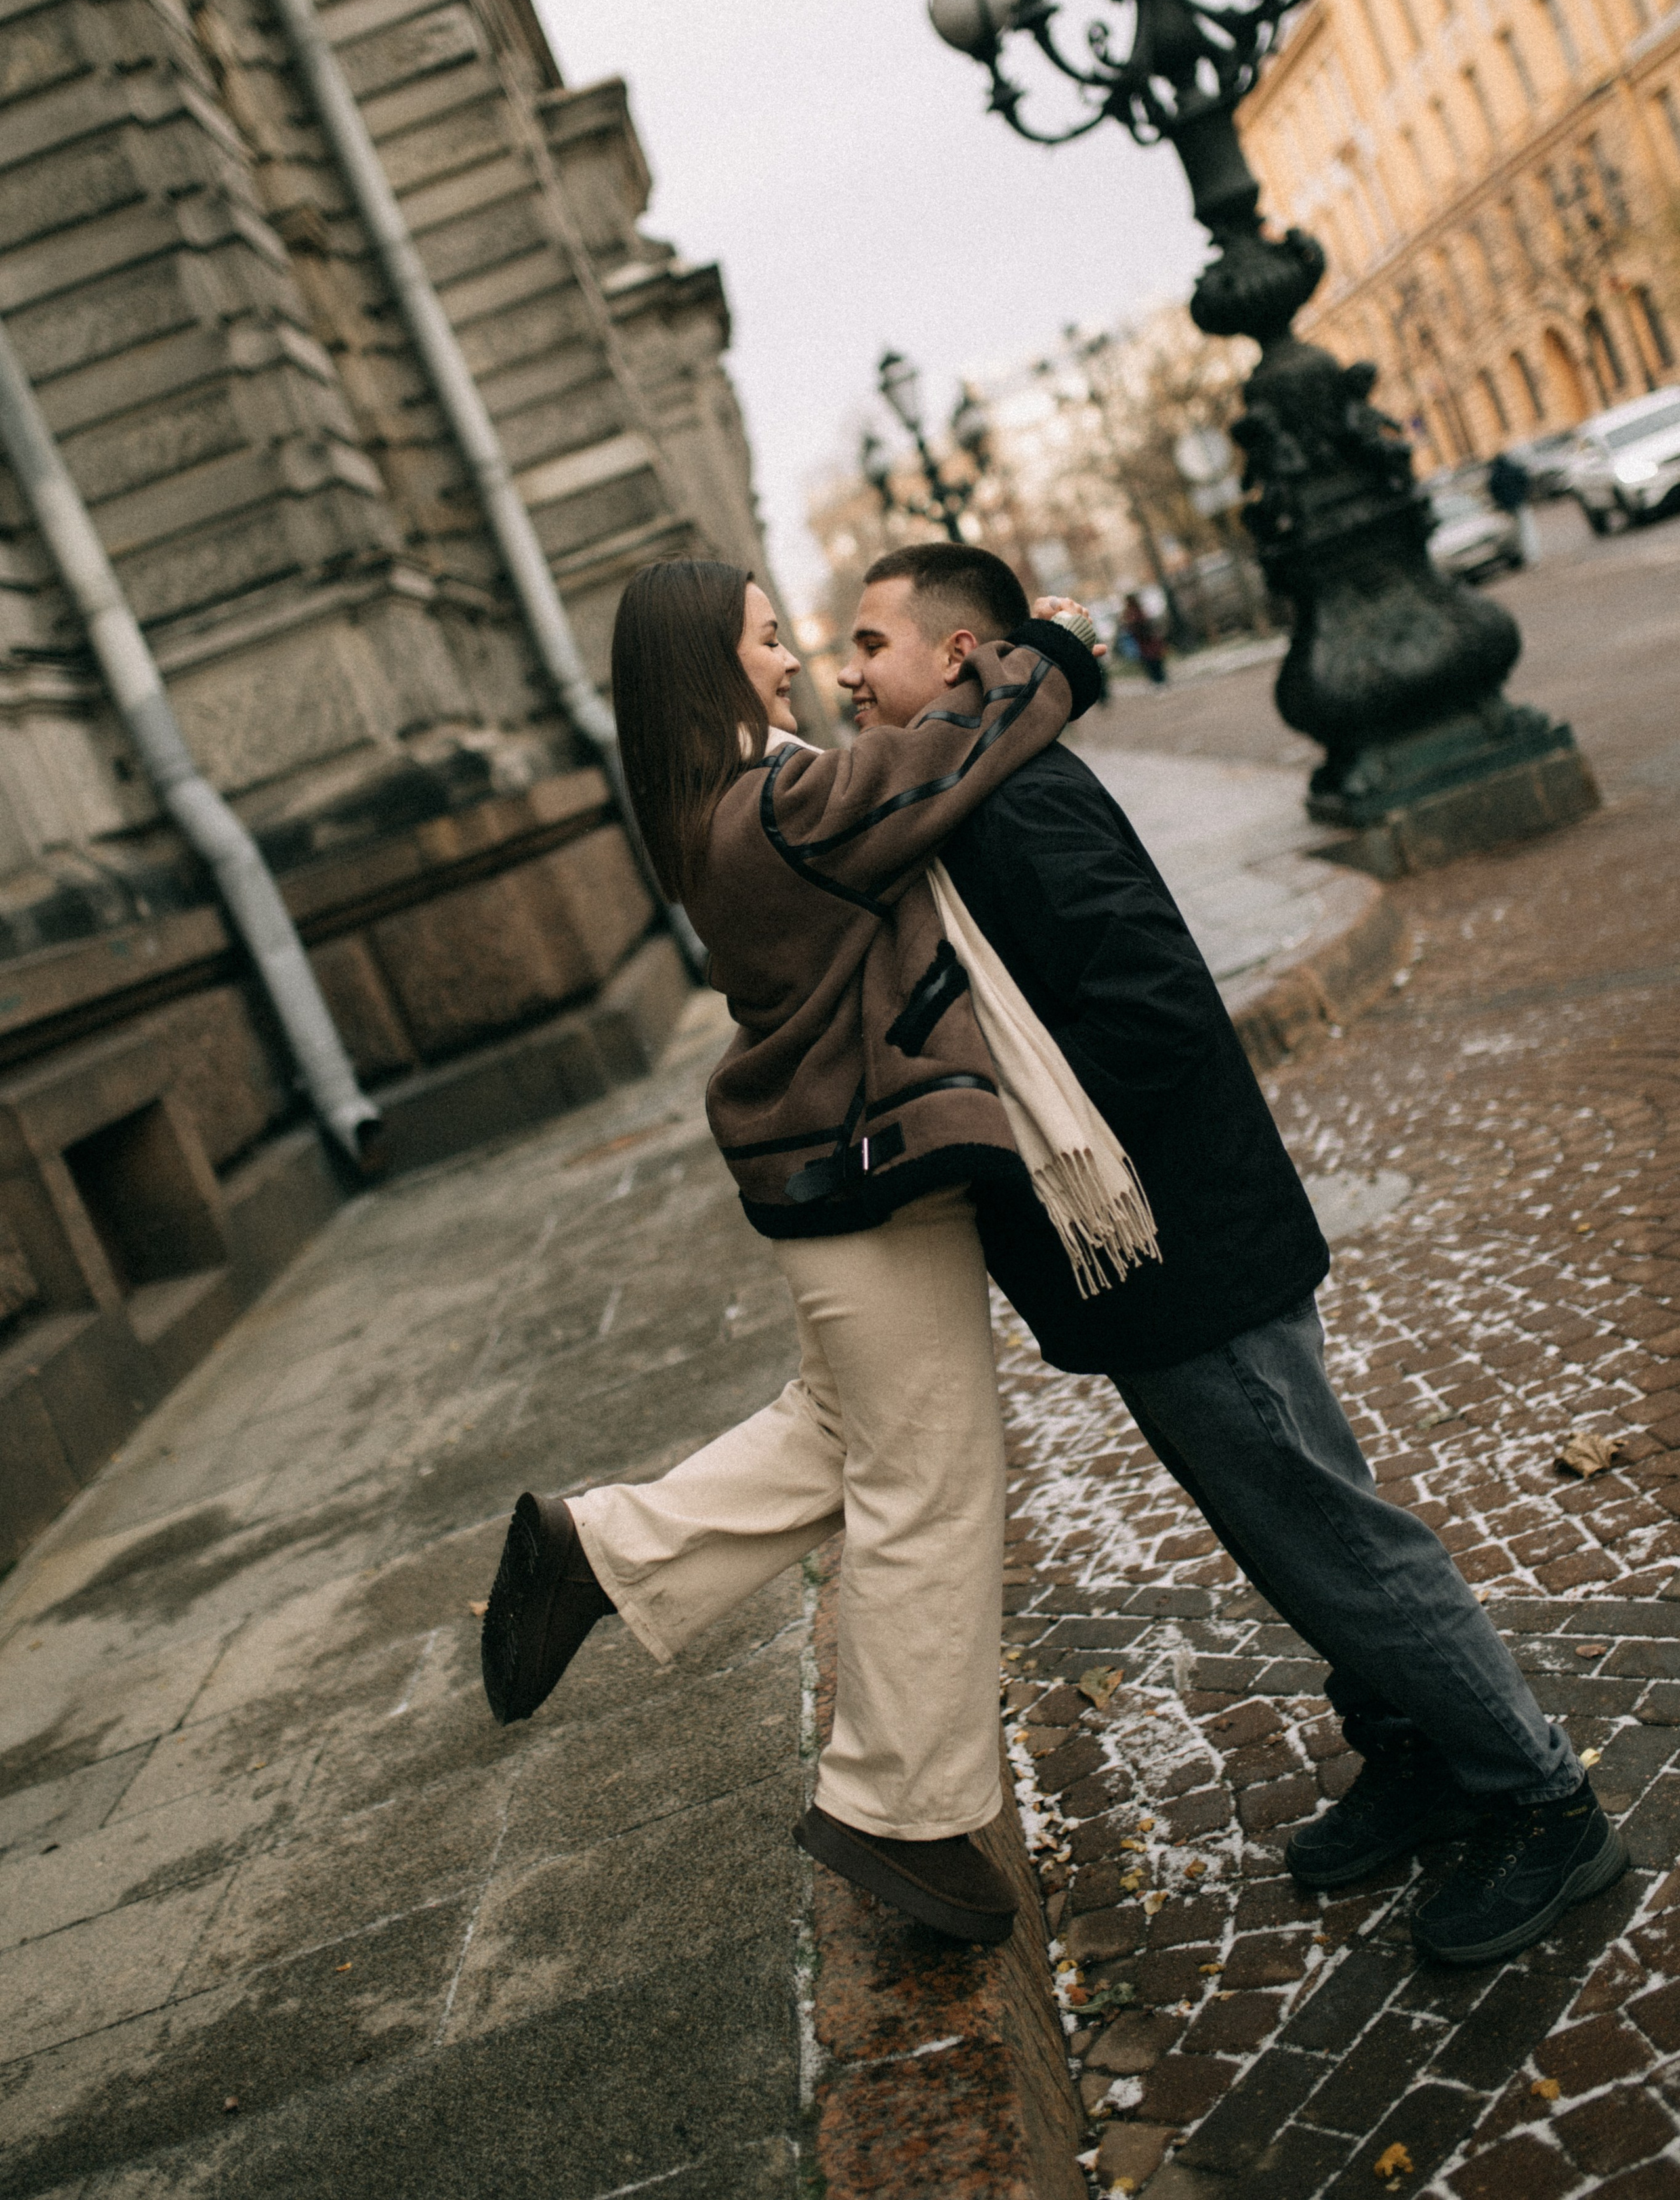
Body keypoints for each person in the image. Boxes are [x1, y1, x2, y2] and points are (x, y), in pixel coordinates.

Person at [836, 539, 1627, 1968]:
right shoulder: (963, 800)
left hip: (1190, 1246)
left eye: (867, 643)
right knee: (1291, 1538)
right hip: (1152, 1264)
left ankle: (1541, 1798)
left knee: (1336, 1535)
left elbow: (1151, 1003)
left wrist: (1004, 1125)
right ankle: (1416, 1749)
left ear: (954, 656)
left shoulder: (1012, 801)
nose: (846, 671)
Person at [480, 556, 1105, 1945]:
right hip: (864, 1197)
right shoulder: (766, 808)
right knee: (928, 1477)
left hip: (841, 1190)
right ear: (709, 666)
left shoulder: (728, 802)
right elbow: (938, 760)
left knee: (841, 1431)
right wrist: (1043, 651)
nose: (794, 662)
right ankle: (896, 1807)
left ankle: (596, 1550)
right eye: (768, 642)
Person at [1122, 590, 1169, 687]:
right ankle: (1159, 679)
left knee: (1152, 660)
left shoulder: (1134, 613)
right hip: (1145, 641)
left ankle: (1158, 680)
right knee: (1153, 659)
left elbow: (1136, 626)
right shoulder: (1137, 612)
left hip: (1145, 641)